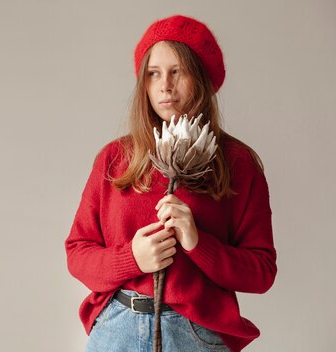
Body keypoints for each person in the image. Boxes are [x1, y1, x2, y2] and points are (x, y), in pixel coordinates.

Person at [64, 15, 277, 352]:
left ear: (201, 77)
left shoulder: (237, 163)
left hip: (195, 335)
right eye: (154, 74)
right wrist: (130, 258)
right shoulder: (115, 158)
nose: (165, 85)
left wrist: (198, 244)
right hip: (116, 330)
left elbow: (261, 272)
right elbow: (77, 253)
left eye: (177, 71)